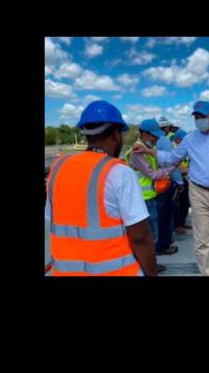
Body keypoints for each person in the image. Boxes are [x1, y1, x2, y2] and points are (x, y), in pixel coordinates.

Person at [45, 101, 159, 276]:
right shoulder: (118, 171)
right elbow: (140, 238)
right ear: (115, 134)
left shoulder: (58, 167)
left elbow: (54, 218)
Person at [134, 101, 209, 276]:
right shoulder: (190, 139)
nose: (199, 120)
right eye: (196, 117)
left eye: (202, 116)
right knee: (202, 239)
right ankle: (207, 272)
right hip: (198, 192)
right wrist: (149, 152)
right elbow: (171, 157)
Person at [125, 118, 177, 256]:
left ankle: (150, 260)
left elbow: (156, 164)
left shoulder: (146, 148)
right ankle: (147, 264)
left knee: (152, 231)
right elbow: (152, 174)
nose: (156, 140)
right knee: (151, 233)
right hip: (144, 199)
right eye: (154, 136)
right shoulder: (137, 151)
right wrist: (170, 169)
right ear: (145, 134)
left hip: (149, 196)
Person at [154, 117, 183, 255]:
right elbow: (172, 164)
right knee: (165, 216)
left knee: (160, 216)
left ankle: (162, 242)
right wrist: (179, 182)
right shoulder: (164, 141)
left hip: (155, 186)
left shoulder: (145, 142)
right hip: (164, 184)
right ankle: (163, 244)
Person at [171, 130, 191, 233]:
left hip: (184, 179)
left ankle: (182, 223)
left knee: (185, 203)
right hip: (176, 181)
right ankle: (177, 225)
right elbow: (172, 166)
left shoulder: (183, 149)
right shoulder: (172, 149)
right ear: (177, 139)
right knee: (177, 204)